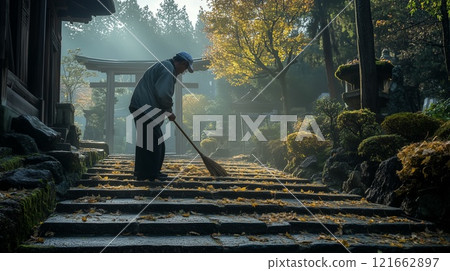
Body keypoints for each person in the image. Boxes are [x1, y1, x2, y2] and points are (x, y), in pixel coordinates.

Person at [129, 52, 194, 180]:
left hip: (142, 106)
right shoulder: (167, 68)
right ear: (182, 63)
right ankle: (150, 173)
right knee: (154, 142)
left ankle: (142, 173)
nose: (183, 72)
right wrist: (168, 110)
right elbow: (163, 93)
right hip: (145, 107)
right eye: (185, 69)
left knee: (146, 141)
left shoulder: (164, 65)